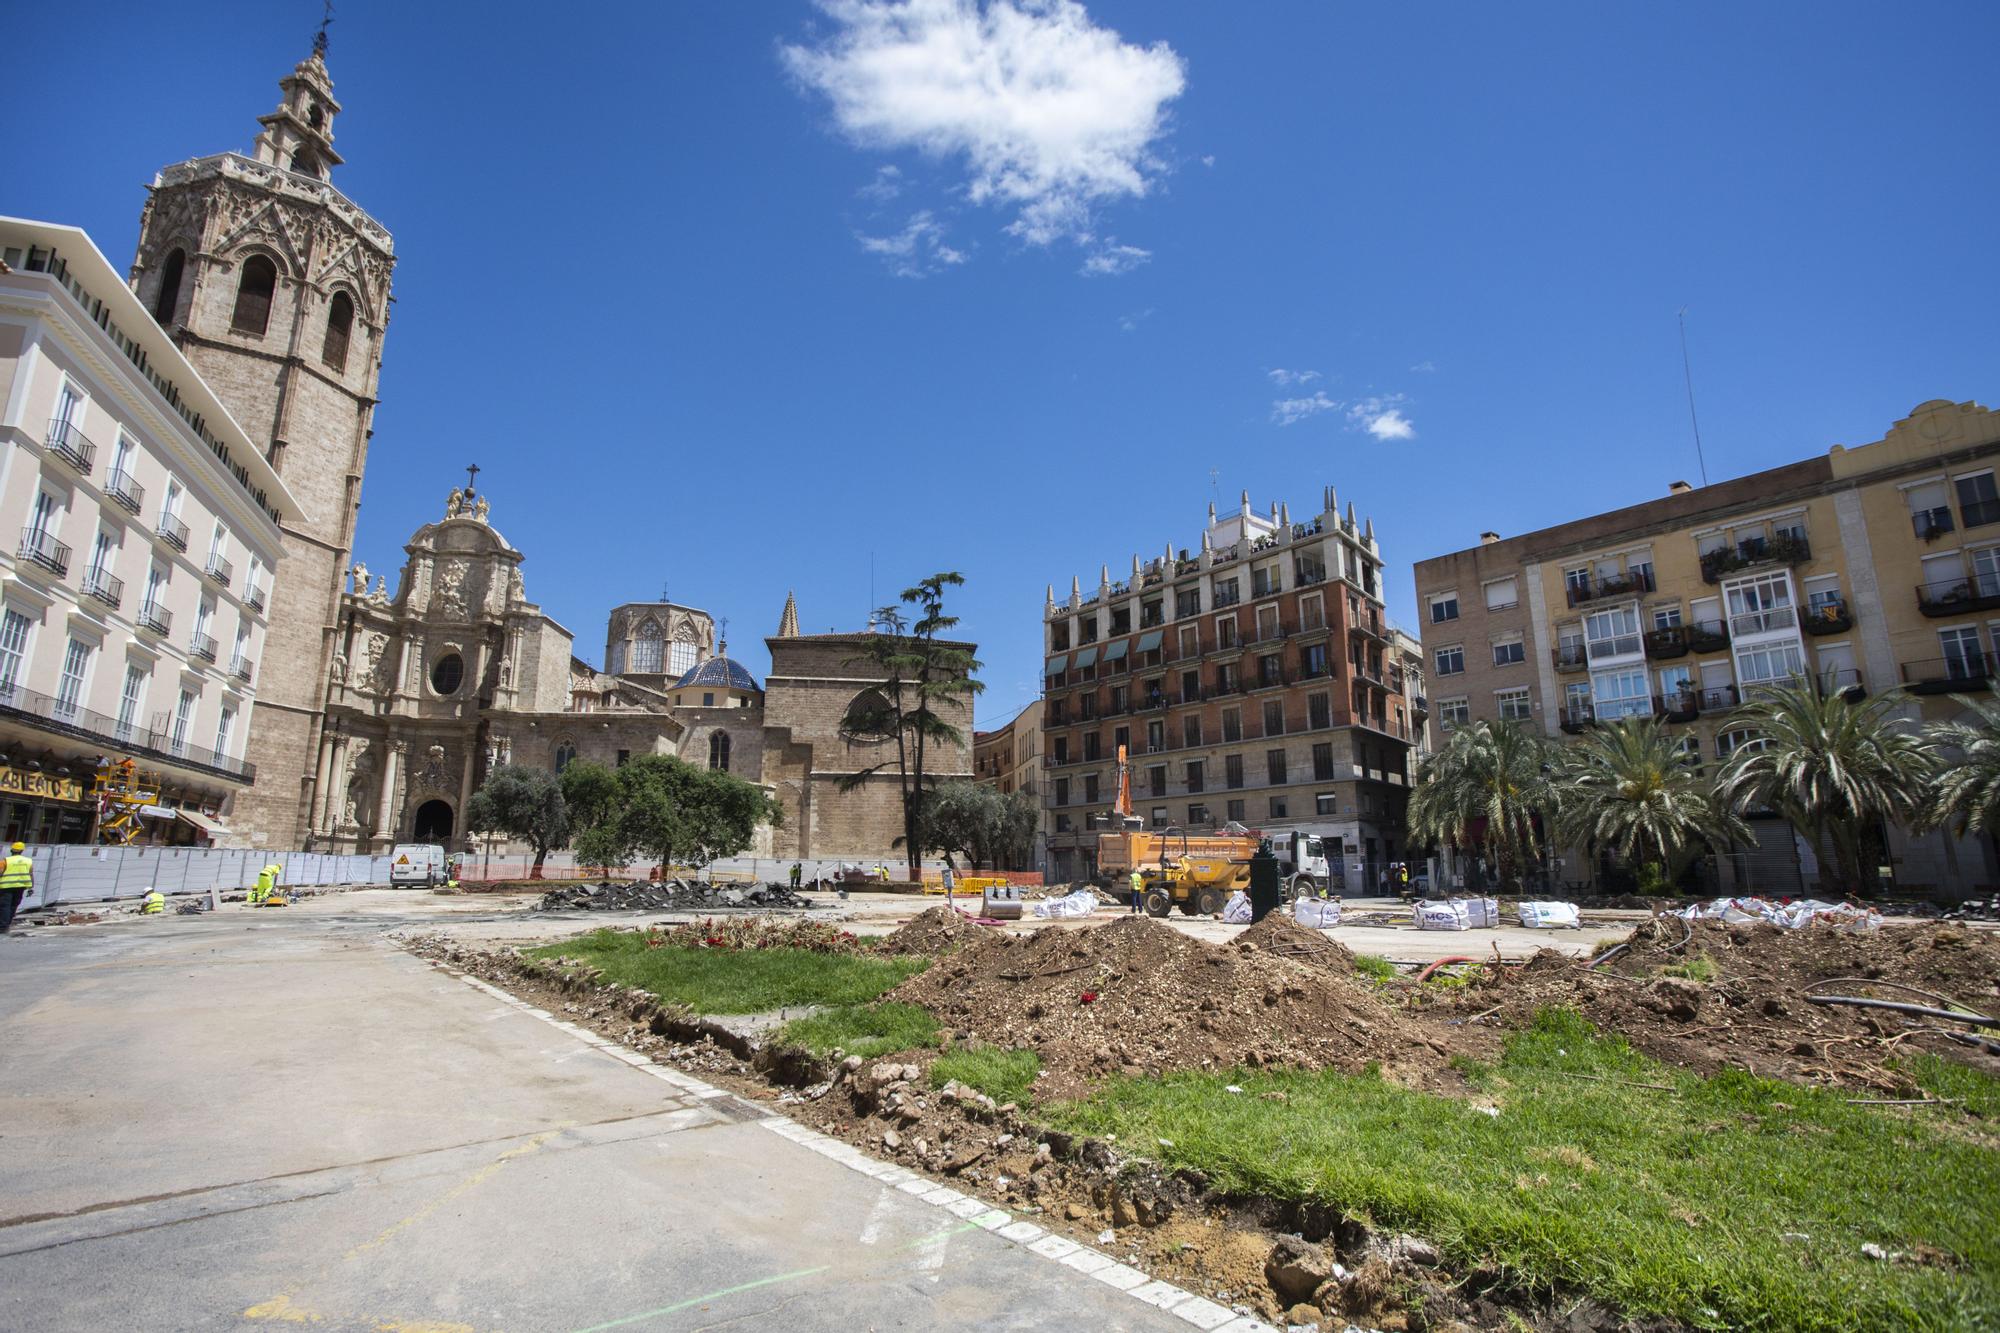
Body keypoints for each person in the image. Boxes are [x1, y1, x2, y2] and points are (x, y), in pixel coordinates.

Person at [0, 842, 31, 933]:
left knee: (5, 906)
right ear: (22, 851)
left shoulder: (5, 861)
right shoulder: (28, 861)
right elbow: (31, 874)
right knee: (13, 906)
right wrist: (31, 887)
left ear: (11, 850)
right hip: (20, 887)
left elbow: (0, 873)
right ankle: (7, 924)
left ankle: (3, 926)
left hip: (6, 887)